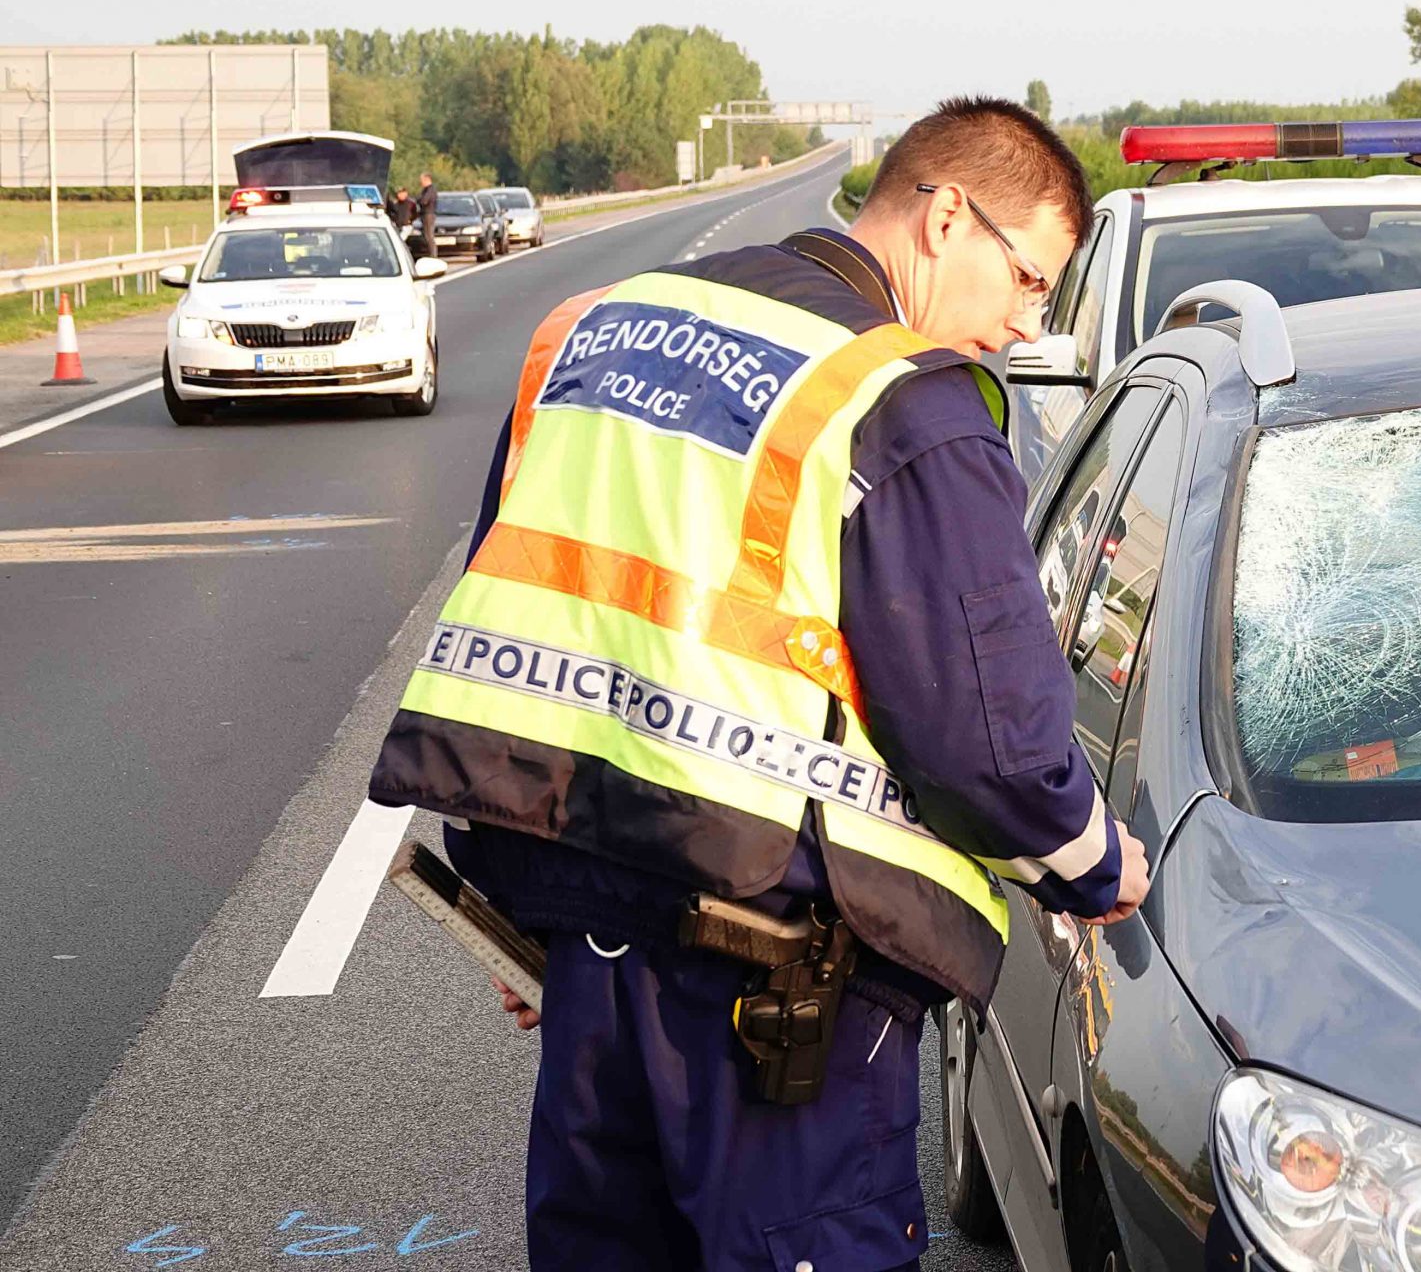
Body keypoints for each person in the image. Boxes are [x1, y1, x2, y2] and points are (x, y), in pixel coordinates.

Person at [367, 97, 1148, 1271]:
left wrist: (540, 906)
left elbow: (515, 622)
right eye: (1029, 279)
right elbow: (987, 739)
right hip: (782, 1006)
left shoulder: (594, 330)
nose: (1024, 326)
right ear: (945, 217)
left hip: (591, 964)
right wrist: (1092, 862)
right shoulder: (906, 401)